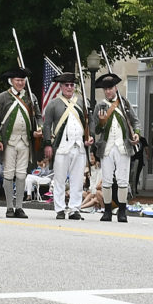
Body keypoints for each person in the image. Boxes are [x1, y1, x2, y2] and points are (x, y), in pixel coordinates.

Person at [0, 66, 40, 219]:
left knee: (22, 174)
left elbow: (38, 116)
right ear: (11, 81)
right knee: (9, 173)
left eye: (23, 80)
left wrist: (39, 129)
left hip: (25, 141)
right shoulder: (3, 97)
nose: (20, 82)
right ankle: (9, 206)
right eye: (18, 80)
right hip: (8, 141)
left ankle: (20, 207)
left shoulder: (31, 97)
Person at [90, 71, 141, 225]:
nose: (108, 91)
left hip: (123, 146)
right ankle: (106, 210)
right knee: (106, 179)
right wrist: (101, 122)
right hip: (106, 147)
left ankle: (122, 210)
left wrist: (137, 134)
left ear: (115, 88)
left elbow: (135, 121)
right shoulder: (100, 105)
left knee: (123, 179)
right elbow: (95, 130)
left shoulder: (124, 103)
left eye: (110, 88)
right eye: (105, 89)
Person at [38, 72, 90, 222]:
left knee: (77, 180)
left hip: (78, 146)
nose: (69, 87)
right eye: (66, 85)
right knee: (60, 180)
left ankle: (75, 209)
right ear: (61, 87)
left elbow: (89, 121)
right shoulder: (54, 103)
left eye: (71, 85)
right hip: (61, 147)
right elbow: (47, 125)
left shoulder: (82, 102)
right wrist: (47, 144)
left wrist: (90, 136)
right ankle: (60, 208)